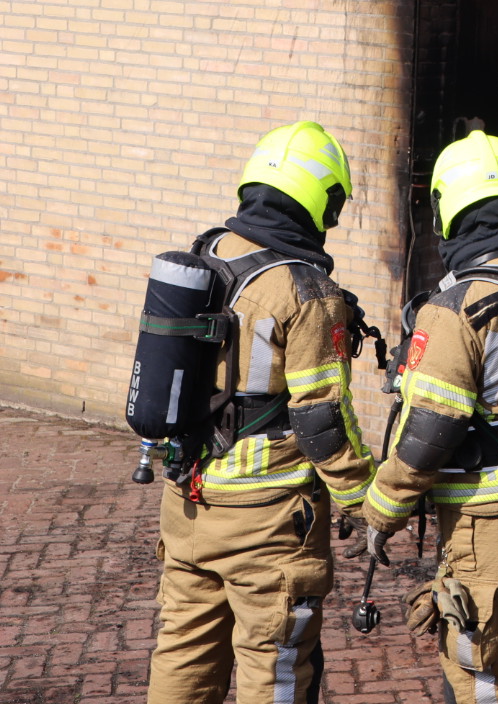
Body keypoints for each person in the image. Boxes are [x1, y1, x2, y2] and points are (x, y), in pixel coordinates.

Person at [147, 120, 376, 704]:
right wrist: (364, 500)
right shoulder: (305, 289)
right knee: (273, 670)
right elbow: (323, 417)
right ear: (323, 201)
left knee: (182, 654)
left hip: (186, 501)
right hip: (267, 521)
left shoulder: (206, 254)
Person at [361, 130, 498, 704]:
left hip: (493, 519)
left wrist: (381, 509)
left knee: (490, 678)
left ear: (447, 212)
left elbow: (429, 432)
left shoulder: (456, 306)